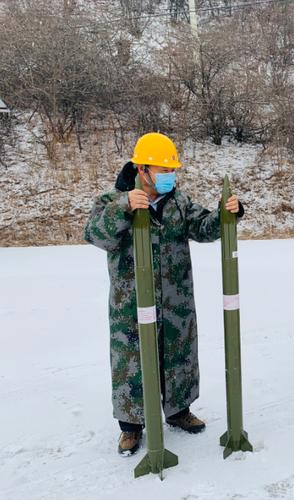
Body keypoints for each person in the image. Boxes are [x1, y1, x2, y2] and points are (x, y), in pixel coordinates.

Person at [84, 132, 244, 455]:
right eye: (163, 170)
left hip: (176, 303)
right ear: (142, 170)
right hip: (131, 306)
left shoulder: (178, 203)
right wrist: (124, 207)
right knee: (132, 363)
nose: (171, 176)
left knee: (178, 355)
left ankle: (178, 411)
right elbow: (95, 233)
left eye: (173, 171)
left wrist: (229, 213)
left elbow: (204, 227)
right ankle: (131, 427)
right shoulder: (111, 200)